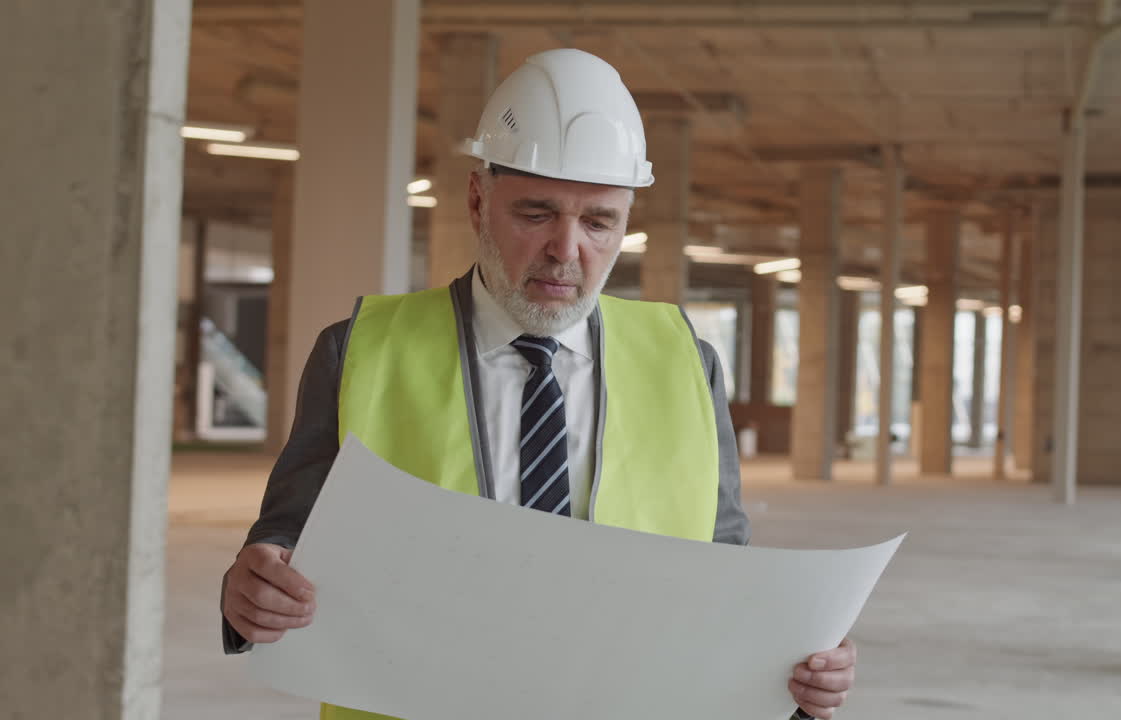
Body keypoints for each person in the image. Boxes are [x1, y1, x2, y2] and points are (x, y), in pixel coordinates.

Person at [220, 48, 855, 720]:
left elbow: (727, 578)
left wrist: (799, 672)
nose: (566, 249)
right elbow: (282, 545)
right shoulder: (358, 351)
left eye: (598, 222)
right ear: (476, 200)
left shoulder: (687, 365)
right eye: (536, 213)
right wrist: (252, 591)